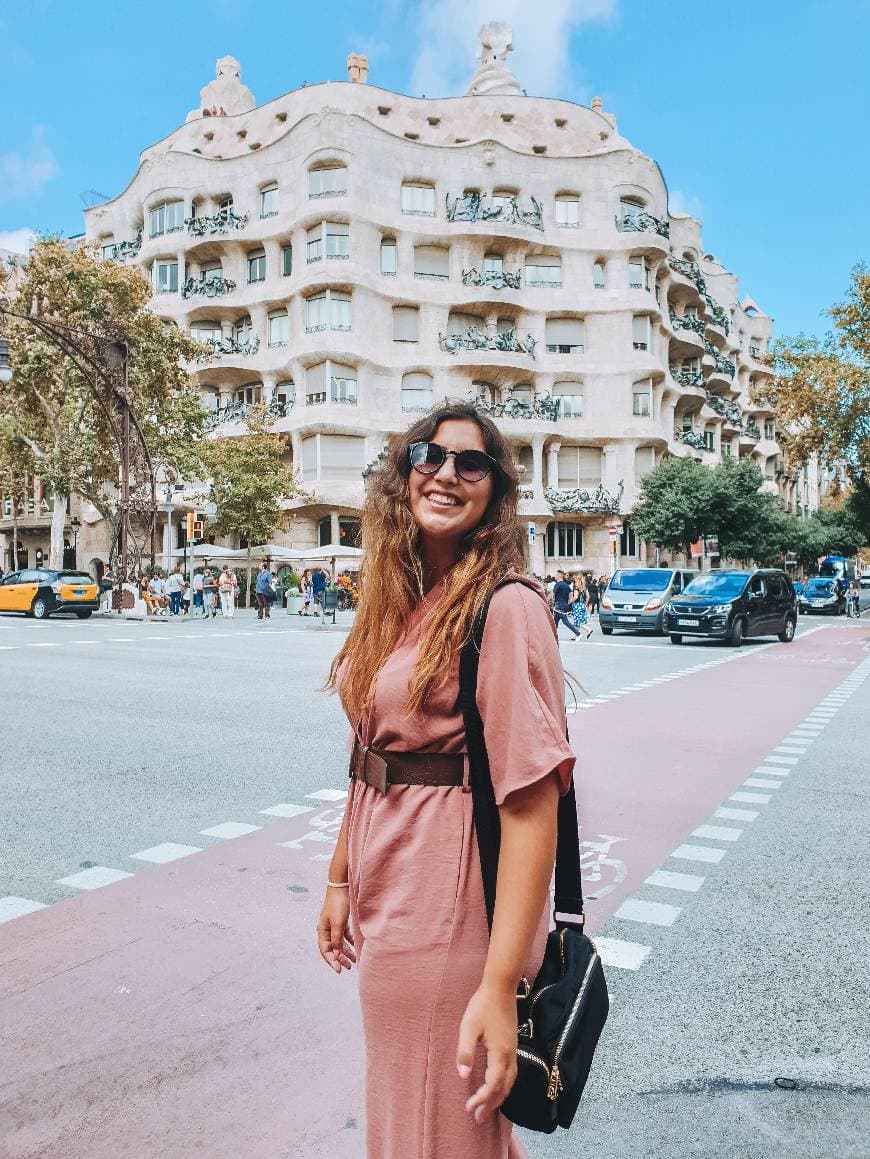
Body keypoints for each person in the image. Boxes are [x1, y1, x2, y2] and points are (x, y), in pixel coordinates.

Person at [317, 401, 575, 1159]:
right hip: (391, 887)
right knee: (433, 1118)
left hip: (449, 906)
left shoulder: (504, 607)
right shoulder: (397, 602)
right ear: (403, 473)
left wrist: (497, 985)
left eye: (473, 463)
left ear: (495, 493)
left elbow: (532, 804)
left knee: (430, 1127)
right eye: (429, 455)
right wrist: (339, 879)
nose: (447, 473)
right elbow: (367, 751)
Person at [551, 568, 583, 641]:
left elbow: (552, 594)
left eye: (556, 574)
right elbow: (571, 595)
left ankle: (578, 634)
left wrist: (545, 600)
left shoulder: (558, 585)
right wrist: (567, 603)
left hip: (559, 605)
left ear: (559, 576)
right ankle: (553, 637)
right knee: (555, 622)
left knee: (565, 621)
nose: (555, 576)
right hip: (563, 605)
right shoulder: (566, 585)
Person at [569, 573, 594, 639]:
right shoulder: (584, 587)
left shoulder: (576, 587)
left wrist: (570, 601)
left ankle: (588, 630)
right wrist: (585, 603)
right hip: (582, 605)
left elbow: (576, 597)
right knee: (579, 621)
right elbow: (588, 596)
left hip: (577, 605)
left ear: (577, 579)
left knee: (577, 622)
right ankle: (576, 635)